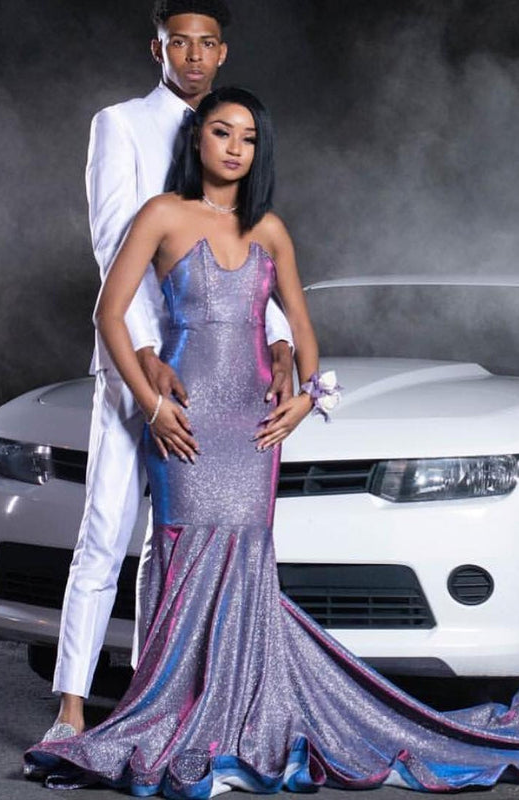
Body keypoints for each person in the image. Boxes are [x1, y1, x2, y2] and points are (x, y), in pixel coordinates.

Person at [26, 86, 519, 796]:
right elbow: (110, 315)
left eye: (248, 137)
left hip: (252, 426)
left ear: (259, 151)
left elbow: (303, 333)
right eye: (221, 132)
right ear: (197, 139)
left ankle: (239, 718)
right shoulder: (161, 214)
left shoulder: (270, 230)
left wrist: (304, 401)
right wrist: (151, 405)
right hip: (187, 414)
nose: (234, 147)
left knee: (247, 558)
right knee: (181, 551)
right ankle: (174, 709)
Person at [47, 0, 294, 741]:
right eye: (178, 43)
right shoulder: (119, 124)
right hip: (138, 361)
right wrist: (149, 355)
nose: (193, 56)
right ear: (156, 48)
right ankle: (69, 711)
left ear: (221, 52)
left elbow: (247, 258)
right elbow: (112, 244)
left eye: (206, 44)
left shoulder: (232, 129)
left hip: (222, 375)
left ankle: (162, 702)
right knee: (105, 529)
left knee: (177, 541)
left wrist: (280, 340)